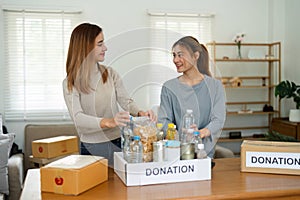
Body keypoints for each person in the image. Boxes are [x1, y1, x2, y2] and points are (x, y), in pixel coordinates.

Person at [63, 23, 156, 167]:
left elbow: (126, 101)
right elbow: (78, 118)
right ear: (86, 48)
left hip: (118, 142)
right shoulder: (71, 82)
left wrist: (140, 112)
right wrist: (109, 121)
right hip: (91, 147)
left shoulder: (110, 74)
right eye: (100, 44)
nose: (105, 48)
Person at [158, 36, 226, 158]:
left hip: (205, 154)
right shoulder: (169, 88)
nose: (175, 60)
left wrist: (199, 133)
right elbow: (163, 120)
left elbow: (218, 119)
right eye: (174, 55)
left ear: (196, 56)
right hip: (176, 153)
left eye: (180, 55)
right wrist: (181, 136)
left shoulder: (215, 86)